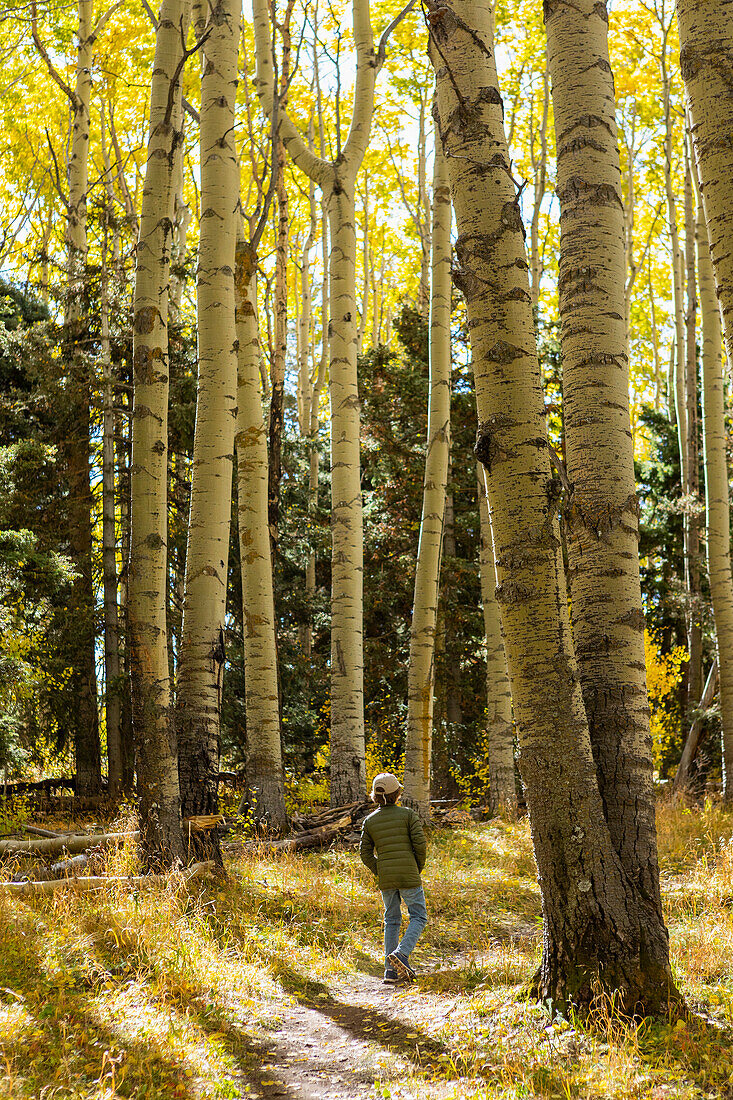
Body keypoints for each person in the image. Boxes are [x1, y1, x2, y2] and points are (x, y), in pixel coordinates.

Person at [359, 772, 428, 984]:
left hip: (386, 878)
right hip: (408, 874)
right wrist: (416, 868)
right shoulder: (408, 815)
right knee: (419, 916)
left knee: (392, 920)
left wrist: (380, 869)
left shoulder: (370, 821)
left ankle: (390, 972)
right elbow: (420, 845)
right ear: (397, 793)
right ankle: (401, 954)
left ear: (375, 796)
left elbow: (365, 852)